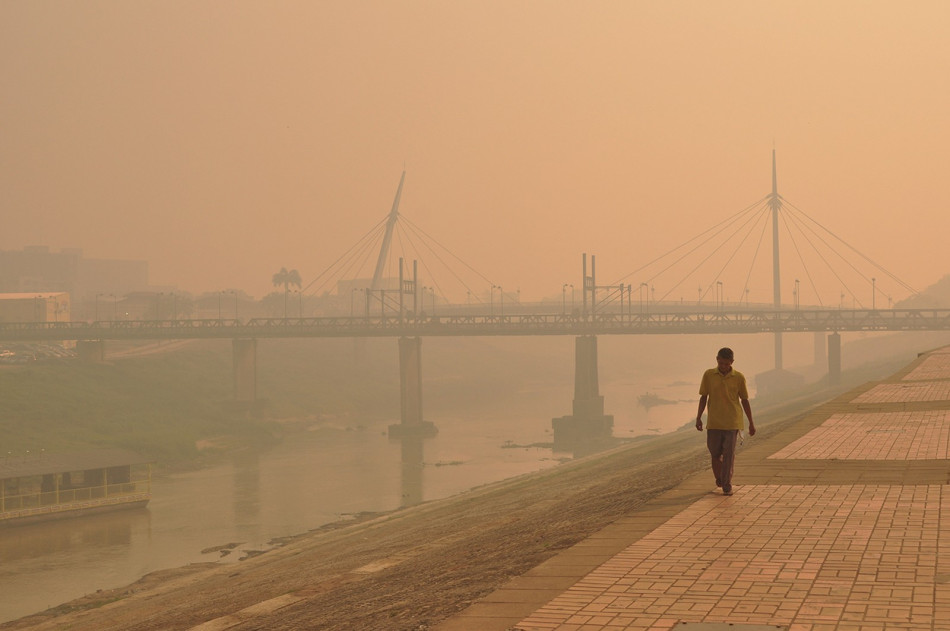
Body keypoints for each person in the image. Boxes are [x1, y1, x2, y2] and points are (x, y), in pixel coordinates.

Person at [695, 347, 755, 496]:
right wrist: (698, 417)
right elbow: (704, 397)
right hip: (714, 422)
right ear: (717, 360)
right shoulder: (709, 375)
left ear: (732, 362)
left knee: (729, 454)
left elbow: (745, 400)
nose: (723, 367)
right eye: (721, 363)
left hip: (732, 422)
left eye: (726, 364)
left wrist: (751, 422)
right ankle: (720, 478)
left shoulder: (739, 377)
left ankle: (727, 484)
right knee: (715, 453)